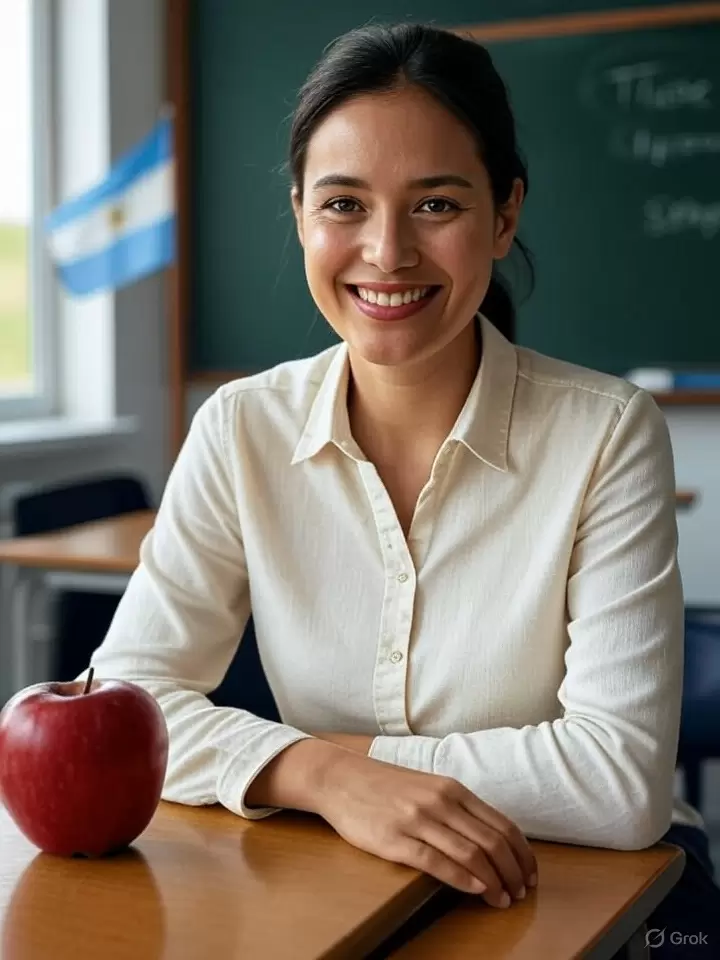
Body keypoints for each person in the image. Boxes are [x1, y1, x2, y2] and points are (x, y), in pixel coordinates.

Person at [84, 22, 719, 954]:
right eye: (344, 203)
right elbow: (123, 713)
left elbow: (617, 787)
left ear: (504, 216)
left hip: (596, 893)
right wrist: (324, 782)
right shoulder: (240, 427)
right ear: (300, 212)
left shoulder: (606, 432)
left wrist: (330, 763)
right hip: (335, 878)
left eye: (435, 206)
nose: (386, 253)